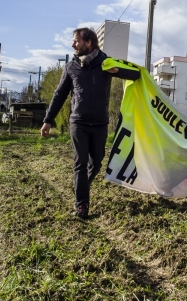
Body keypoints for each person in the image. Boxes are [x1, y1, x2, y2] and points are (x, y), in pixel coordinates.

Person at [40, 27, 140, 219]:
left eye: (76, 41)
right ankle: (82, 205)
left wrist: (117, 70)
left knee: (96, 163)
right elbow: (59, 95)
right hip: (78, 122)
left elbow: (135, 74)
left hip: (100, 123)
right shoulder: (71, 67)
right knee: (80, 163)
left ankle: (82, 184)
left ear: (89, 43)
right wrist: (47, 121)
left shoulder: (105, 62)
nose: (73, 44)